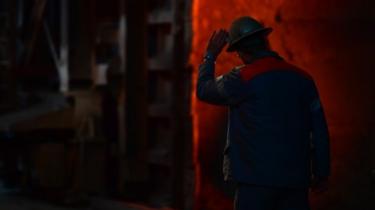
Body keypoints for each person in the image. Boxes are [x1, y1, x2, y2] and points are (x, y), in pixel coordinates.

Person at [196, 16, 331, 210]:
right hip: (295, 182)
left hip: (255, 183)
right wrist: (322, 171)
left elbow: (203, 90)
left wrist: (210, 56)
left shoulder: (241, 78)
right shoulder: (303, 79)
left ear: (241, 52)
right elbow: (319, 130)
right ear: (265, 42)